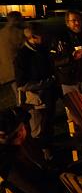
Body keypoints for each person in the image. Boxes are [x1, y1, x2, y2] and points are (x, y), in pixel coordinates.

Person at [0, 107, 63, 193]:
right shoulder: (10, 166)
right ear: (19, 134)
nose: (26, 129)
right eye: (24, 127)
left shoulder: (17, 148)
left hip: (53, 185)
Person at [14, 23, 56, 158]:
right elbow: (22, 84)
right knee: (37, 129)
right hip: (35, 99)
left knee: (48, 125)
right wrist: (46, 83)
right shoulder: (22, 56)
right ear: (33, 37)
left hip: (48, 96)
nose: (45, 38)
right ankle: (39, 157)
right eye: (42, 36)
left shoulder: (41, 50)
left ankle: (48, 152)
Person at [0, 11, 25, 104]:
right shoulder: (19, 32)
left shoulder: (1, 33)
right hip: (18, 68)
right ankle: (25, 114)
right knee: (23, 95)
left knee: (17, 93)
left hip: (7, 70)